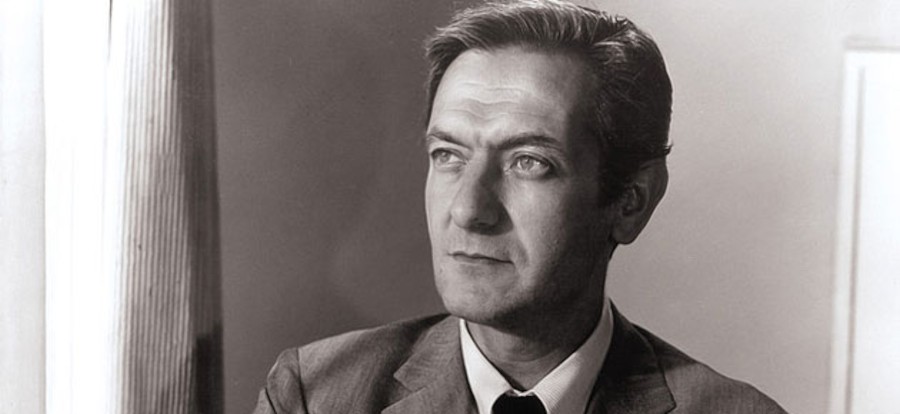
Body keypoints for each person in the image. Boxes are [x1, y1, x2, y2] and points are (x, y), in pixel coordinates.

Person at [253, 1, 787, 413]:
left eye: (528, 162)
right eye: (448, 155)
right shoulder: (315, 394)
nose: (468, 210)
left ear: (632, 201)